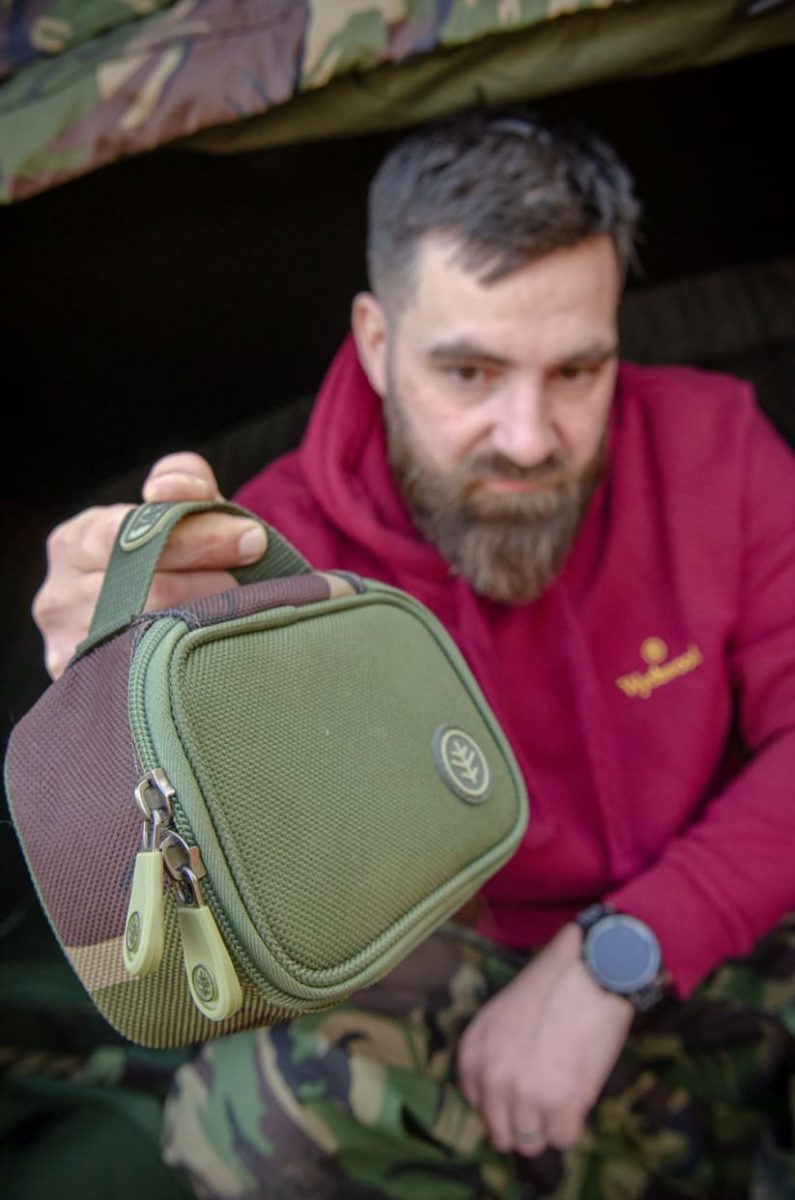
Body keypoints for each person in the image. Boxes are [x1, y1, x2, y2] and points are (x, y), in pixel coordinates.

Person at [33, 108, 795, 1199]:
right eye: (471, 372)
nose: (528, 438)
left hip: (714, 915)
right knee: (256, 1116)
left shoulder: (714, 445)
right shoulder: (264, 565)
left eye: (577, 372)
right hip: (457, 990)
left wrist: (620, 948)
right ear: (378, 344)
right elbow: (189, 897)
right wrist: (116, 693)